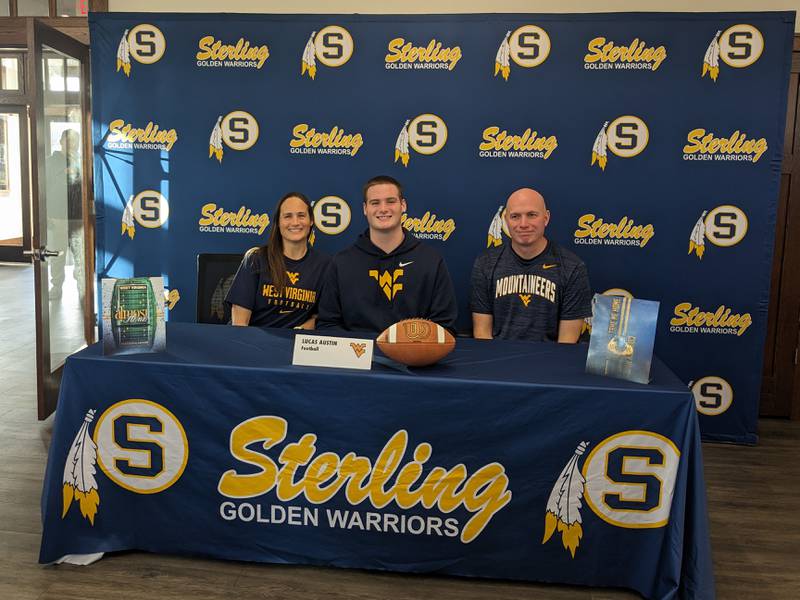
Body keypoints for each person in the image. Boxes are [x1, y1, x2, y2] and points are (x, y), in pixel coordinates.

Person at [316, 175, 457, 333]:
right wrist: (358, 351)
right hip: (357, 355)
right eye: (375, 203)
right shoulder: (342, 263)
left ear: (403, 205)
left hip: (411, 356)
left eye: (390, 201)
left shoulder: (431, 261)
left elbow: (444, 326)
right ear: (365, 209)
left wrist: (410, 350)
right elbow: (328, 324)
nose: (383, 209)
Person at [470, 187, 591, 342]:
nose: (523, 224)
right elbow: (482, 335)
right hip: (498, 361)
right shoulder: (485, 264)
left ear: (546, 218)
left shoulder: (572, 267)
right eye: (515, 216)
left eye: (532, 215)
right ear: (506, 220)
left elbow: (567, 343)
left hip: (551, 362)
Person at [225, 192, 330, 329]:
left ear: (311, 221)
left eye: (301, 215)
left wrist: (302, 331)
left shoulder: (325, 265)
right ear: (278, 223)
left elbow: (323, 316)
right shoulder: (256, 259)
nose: (295, 222)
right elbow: (239, 325)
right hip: (253, 345)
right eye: (287, 216)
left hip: (294, 347)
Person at [47, 129, 84, 304]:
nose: (72, 144)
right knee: (57, 254)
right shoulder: (50, 162)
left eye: (76, 140)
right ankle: (56, 286)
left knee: (79, 253)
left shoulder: (81, 161)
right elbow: (43, 190)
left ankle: (82, 286)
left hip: (78, 217)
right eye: (69, 140)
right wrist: (46, 216)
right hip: (57, 217)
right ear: (61, 141)